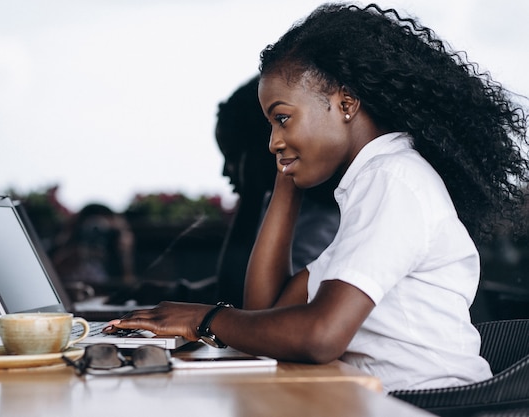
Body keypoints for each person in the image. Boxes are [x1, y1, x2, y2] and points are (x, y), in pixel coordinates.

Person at [104, 3, 529, 392]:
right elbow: (264, 311)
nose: (273, 141)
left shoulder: (394, 180)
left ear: (345, 103)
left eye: (283, 119)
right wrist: (286, 185)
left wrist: (201, 320)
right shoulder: (371, 185)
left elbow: (319, 335)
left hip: (427, 406)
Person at [215, 75, 339, 307]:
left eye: (232, 157)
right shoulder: (277, 205)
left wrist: (250, 195)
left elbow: (246, 302)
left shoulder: (320, 220)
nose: (225, 171)